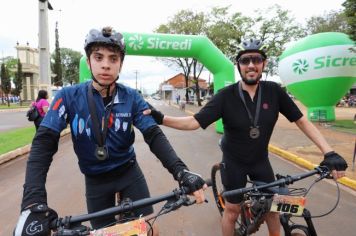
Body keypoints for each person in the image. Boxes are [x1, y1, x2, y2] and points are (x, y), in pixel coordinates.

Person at [14, 26, 206, 236]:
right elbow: (44, 144)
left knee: (151, 230)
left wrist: (181, 171)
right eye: (99, 57)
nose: (106, 65)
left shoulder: (131, 97)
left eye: (113, 59)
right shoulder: (68, 96)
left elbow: (153, 134)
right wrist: (33, 202)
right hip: (95, 180)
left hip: (128, 172)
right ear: (88, 62)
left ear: (120, 65)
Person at [145, 39, 348, 236]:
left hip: (260, 161)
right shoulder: (226, 95)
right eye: (245, 60)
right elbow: (194, 122)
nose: (251, 65)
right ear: (239, 65)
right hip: (234, 163)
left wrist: (328, 152)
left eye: (256, 59)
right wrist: (161, 118)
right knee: (232, 211)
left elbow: (302, 121)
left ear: (264, 64)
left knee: (273, 209)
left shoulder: (274, 92)